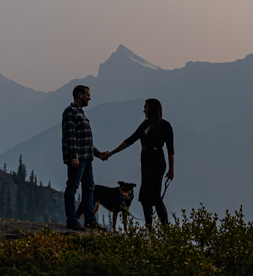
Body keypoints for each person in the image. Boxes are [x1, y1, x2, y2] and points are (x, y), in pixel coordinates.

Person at [104, 98, 174, 230]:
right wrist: (112, 152)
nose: (143, 110)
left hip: (157, 160)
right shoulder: (144, 125)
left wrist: (171, 170)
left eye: (145, 107)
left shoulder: (165, 126)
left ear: (151, 109)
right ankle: (161, 230)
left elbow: (171, 150)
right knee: (153, 196)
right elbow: (130, 140)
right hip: (146, 160)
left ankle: (152, 229)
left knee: (146, 197)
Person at [62, 85, 106, 231]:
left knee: (89, 188)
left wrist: (98, 153)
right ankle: (72, 220)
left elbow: (85, 141)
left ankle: (90, 220)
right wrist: (74, 157)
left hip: (87, 157)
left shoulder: (81, 113)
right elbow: (70, 136)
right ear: (79, 95)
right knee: (72, 187)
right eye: (88, 95)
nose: (90, 98)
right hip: (78, 159)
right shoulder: (70, 112)